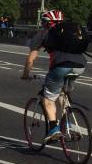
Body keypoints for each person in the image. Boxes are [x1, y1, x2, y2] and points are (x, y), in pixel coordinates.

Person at [21, 10, 87, 141]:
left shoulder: (43, 33)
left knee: (48, 100)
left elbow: (31, 59)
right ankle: (68, 124)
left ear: (44, 23)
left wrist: (26, 74)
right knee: (62, 93)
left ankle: (54, 129)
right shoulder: (71, 31)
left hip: (60, 67)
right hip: (80, 66)